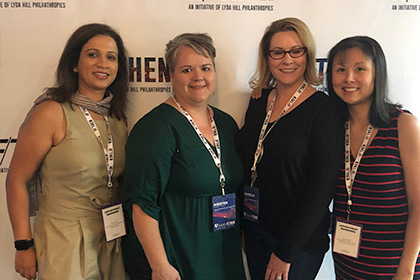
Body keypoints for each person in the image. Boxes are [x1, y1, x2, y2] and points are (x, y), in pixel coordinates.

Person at [6, 23, 129, 280]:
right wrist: (22, 245)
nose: (103, 64)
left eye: (111, 57)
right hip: (64, 238)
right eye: (92, 54)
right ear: (75, 63)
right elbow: (16, 179)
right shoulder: (51, 112)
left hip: (110, 236)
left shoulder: (116, 119)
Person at [122, 33, 246, 280]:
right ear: (170, 75)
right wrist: (160, 266)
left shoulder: (226, 123)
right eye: (186, 69)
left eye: (205, 68)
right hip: (179, 256)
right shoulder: (155, 128)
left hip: (224, 252)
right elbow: (142, 203)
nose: (198, 76)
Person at [236, 17, 342, 280]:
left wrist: (286, 252)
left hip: (297, 244)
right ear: (267, 57)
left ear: (307, 55)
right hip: (255, 230)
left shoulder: (324, 109)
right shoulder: (259, 101)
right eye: (278, 52)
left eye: (296, 51)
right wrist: (243, 226)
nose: (287, 60)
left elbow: (321, 189)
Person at [328, 36, 420, 280]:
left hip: (395, 268)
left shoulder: (403, 125)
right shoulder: (333, 128)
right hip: (347, 265)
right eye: (340, 69)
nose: (349, 78)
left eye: (360, 69)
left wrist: (406, 270)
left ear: (377, 73)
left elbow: (419, 204)